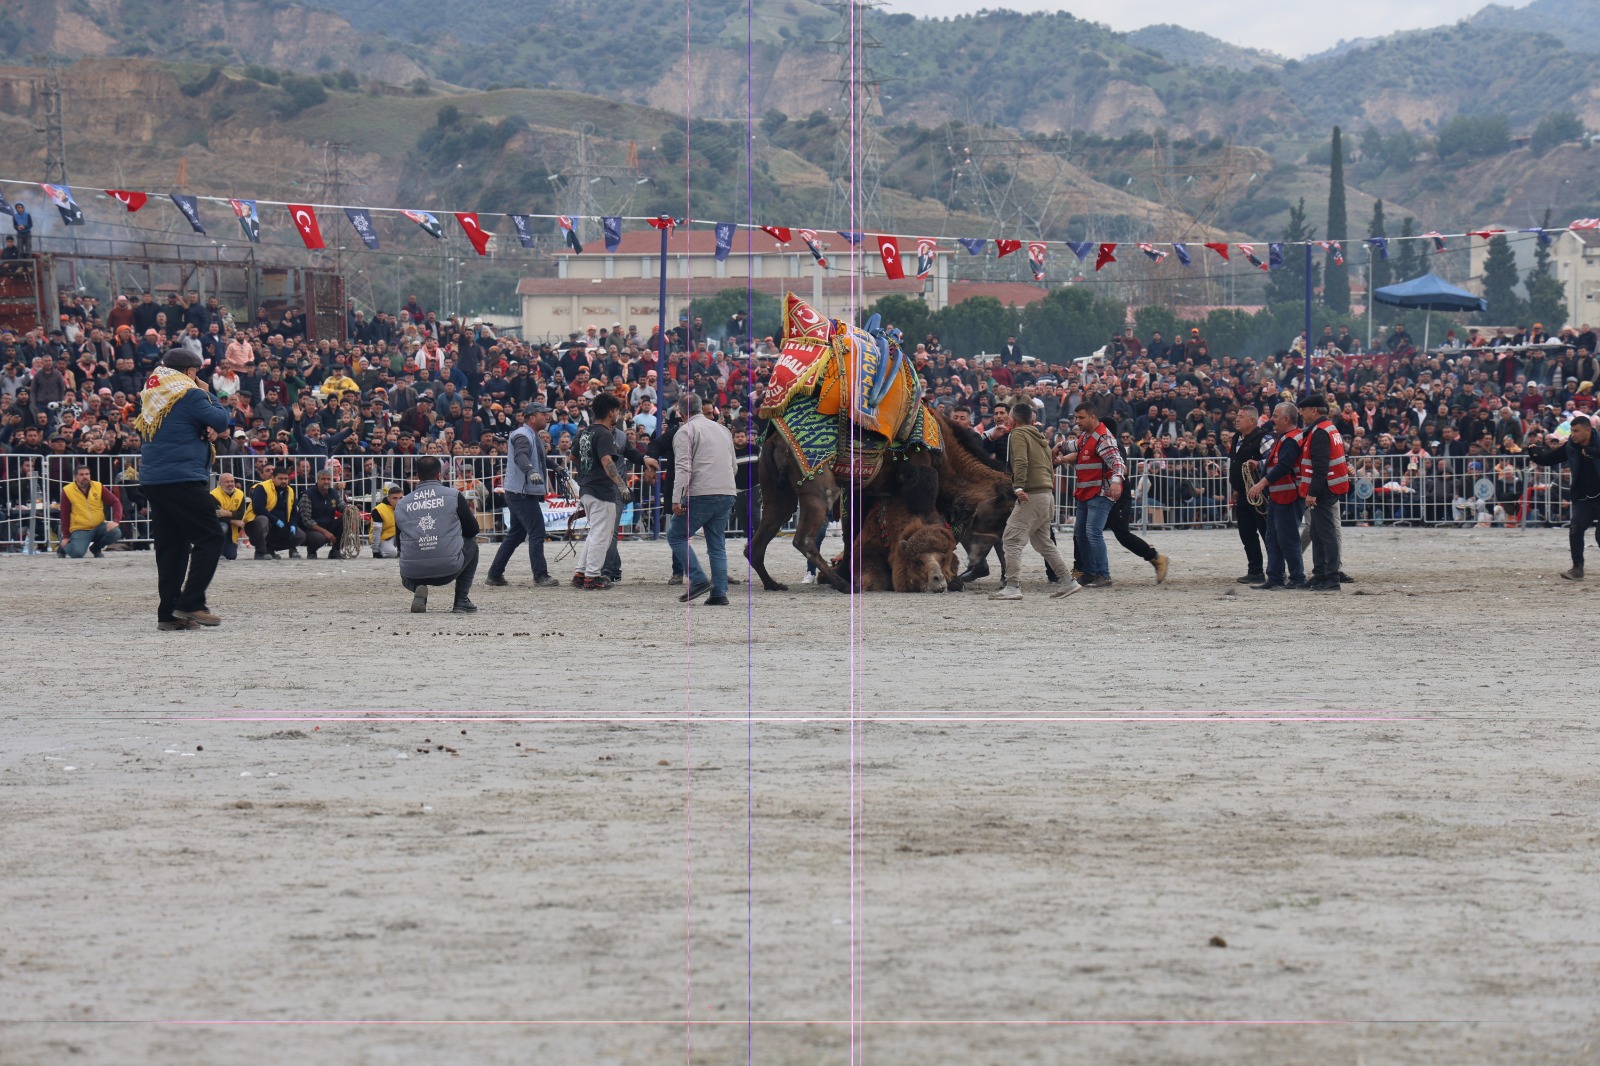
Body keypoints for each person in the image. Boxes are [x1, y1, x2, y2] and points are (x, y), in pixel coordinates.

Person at [133, 348, 230, 630]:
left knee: (172, 546)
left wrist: (205, 427)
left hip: (154, 478)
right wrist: (208, 392)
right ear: (189, 372)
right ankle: (191, 603)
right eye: (195, 372)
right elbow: (221, 421)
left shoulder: (155, 392)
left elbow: (188, 425)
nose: (197, 376)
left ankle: (168, 614)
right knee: (211, 536)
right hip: (181, 477)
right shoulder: (190, 393)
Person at [989, 402, 1079, 601]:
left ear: (1014, 419)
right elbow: (1048, 465)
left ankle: (1012, 586)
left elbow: (1020, 461)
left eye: (1009, 416)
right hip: (1046, 495)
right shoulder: (1040, 437)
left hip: (1031, 495)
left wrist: (1018, 487)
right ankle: (1068, 582)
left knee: (1011, 539)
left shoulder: (1018, 434)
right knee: (1044, 543)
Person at [572, 393, 657, 590]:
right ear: (612, 412)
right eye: (617, 411)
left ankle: (581, 572)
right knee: (602, 534)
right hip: (602, 490)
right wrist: (621, 485)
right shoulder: (604, 434)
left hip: (586, 487)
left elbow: (573, 457)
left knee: (595, 532)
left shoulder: (585, 433)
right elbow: (607, 461)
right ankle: (592, 577)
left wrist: (589, 471)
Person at [667, 393, 737, 606]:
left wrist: (677, 498)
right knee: (717, 544)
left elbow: (683, 467)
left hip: (701, 492)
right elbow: (733, 465)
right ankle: (719, 593)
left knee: (676, 536)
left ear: (680, 412)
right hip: (726, 490)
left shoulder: (685, 431)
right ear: (702, 408)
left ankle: (697, 579)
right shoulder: (723, 430)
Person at [486, 401, 560, 588]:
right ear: (532, 417)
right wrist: (530, 471)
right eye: (543, 414)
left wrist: (556, 467)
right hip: (521, 492)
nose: (547, 416)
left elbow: (541, 457)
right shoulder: (522, 435)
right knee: (537, 532)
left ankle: (495, 574)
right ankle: (540, 575)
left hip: (519, 491)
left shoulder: (532, 434)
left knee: (516, 535)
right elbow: (521, 456)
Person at [395, 454, 479, 613]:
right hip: (448, 570)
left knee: (406, 554)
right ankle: (461, 600)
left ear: (417, 476)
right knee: (472, 545)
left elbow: (399, 544)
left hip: (411, 572)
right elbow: (472, 530)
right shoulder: (453, 496)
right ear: (440, 474)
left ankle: (417, 588)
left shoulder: (402, 503)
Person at [1528, 414, 1600, 579]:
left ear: (1588, 431)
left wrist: (1593, 452)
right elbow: (1549, 458)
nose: (1572, 434)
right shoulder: (1571, 446)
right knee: (1575, 528)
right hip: (1584, 498)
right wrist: (1535, 454)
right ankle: (1577, 568)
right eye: (1571, 431)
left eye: (1576, 431)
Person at [1249, 402, 1308, 589]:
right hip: (1279, 496)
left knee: (1287, 538)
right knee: (1273, 537)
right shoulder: (1285, 438)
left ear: (1286, 419)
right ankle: (1275, 577)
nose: (1271, 418)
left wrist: (1261, 483)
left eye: (1275, 415)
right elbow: (1274, 461)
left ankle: (1297, 578)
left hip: (1288, 495)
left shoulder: (1290, 439)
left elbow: (1284, 466)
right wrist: (1259, 465)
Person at [1069, 398, 1125, 589]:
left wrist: (1116, 482)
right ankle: (1090, 573)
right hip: (1087, 492)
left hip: (1100, 492)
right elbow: (1074, 446)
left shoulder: (1102, 437)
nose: (1077, 421)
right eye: (1076, 417)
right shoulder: (1087, 435)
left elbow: (1118, 462)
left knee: (1092, 532)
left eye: (1081, 418)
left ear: (1093, 417)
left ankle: (1103, 574)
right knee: (1081, 533)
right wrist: (1058, 447)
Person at [1297, 395, 1351, 591]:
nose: (1301, 413)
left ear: (1314, 410)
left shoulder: (1319, 432)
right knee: (1318, 532)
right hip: (1329, 488)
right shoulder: (1329, 428)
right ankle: (1320, 574)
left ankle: (1331, 577)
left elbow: (1320, 467)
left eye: (1304, 410)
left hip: (1323, 490)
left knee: (1325, 534)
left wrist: (1312, 493)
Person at [1227, 405, 1271, 584]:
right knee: (1247, 534)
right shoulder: (1237, 437)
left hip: (1259, 493)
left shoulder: (1264, 438)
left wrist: (1259, 464)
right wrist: (1237, 489)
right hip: (1243, 494)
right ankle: (1255, 571)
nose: (1236, 419)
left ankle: (1276, 570)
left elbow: (1274, 459)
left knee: (1266, 533)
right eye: (1237, 416)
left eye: (1241, 417)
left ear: (1252, 421)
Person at [57, 464, 124, 558]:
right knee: (77, 554)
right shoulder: (67, 490)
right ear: (75, 477)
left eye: (87, 474)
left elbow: (115, 502)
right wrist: (65, 536)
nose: (85, 477)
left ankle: (96, 548)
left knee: (116, 532)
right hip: (80, 529)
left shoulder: (98, 486)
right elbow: (64, 515)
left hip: (99, 526)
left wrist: (116, 521)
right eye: (81, 474)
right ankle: (62, 547)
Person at [247, 466, 306, 559]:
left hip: (280, 526)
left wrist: (293, 525)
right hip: (257, 525)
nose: (283, 481)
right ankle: (260, 552)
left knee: (300, 536)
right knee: (263, 520)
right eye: (280, 478)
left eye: (286, 479)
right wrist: (276, 520)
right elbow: (258, 509)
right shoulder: (262, 488)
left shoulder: (290, 490)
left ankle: (270, 549)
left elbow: (294, 512)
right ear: (273, 478)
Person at [298, 467, 349, 559]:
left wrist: (350, 509)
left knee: (347, 518)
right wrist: (326, 532)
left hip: (329, 524)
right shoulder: (307, 495)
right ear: (317, 480)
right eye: (323, 479)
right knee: (319, 538)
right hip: (313, 528)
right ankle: (311, 550)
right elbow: (306, 520)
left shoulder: (333, 492)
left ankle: (336, 550)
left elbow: (342, 506)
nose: (326, 482)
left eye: (329, 479)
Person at [210, 471, 248, 562]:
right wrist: (234, 520)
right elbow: (216, 516)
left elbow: (242, 514)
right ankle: (217, 553)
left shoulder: (240, 494)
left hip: (232, 530)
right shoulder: (213, 495)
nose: (230, 484)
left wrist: (227, 514)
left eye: (232, 481)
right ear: (220, 483)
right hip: (217, 527)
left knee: (231, 556)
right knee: (223, 526)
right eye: (227, 482)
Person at [371, 484, 403, 559]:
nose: (398, 501)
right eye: (395, 498)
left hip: (398, 536)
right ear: (388, 498)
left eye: (401, 498)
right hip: (384, 538)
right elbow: (377, 531)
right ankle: (383, 550)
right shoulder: (378, 510)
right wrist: (375, 551)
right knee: (392, 553)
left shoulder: (405, 507)